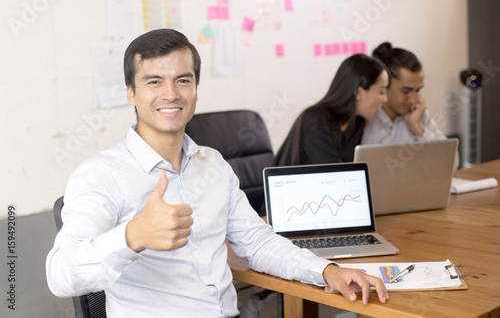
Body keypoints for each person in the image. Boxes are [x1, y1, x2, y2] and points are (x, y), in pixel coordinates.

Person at [45, 29, 389, 317]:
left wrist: (327, 271)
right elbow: (60, 275)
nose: (171, 94)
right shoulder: (102, 174)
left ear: (195, 90)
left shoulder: (212, 164)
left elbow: (258, 243)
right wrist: (133, 235)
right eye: (154, 81)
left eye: (183, 80)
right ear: (130, 93)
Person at [274, 54, 389, 166]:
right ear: (358, 92)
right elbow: (337, 175)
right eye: (381, 92)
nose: (385, 99)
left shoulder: (358, 123)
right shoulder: (314, 121)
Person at [362, 42, 447, 145]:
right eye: (406, 91)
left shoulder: (418, 112)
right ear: (385, 84)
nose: (413, 99)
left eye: (418, 90)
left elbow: (452, 158)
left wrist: (418, 129)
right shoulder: (367, 114)